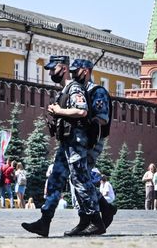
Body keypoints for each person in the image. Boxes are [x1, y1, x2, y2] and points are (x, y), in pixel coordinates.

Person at [21, 55, 104, 238]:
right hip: (66, 142)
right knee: (55, 179)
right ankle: (44, 222)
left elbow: (82, 110)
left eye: (53, 68)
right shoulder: (65, 90)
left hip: (76, 142)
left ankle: (96, 221)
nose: (51, 72)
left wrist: (59, 111)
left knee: (80, 180)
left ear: (64, 68)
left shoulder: (74, 88)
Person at [69, 58, 117, 230]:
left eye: (76, 71)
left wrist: (82, 122)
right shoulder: (79, 90)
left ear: (86, 71)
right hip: (78, 141)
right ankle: (102, 209)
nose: (73, 75)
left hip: (91, 141)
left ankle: (92, 216)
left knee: (80, 177)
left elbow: (102, 118)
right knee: (79, 178)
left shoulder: (97, 91)